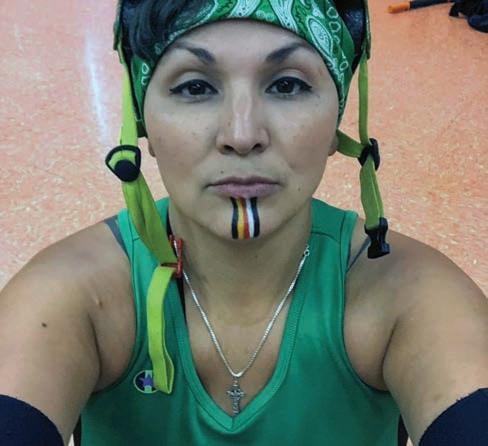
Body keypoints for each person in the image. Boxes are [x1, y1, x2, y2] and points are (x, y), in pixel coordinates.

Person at [1, 0, 487, 445]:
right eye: (195, 87)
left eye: (287, 85)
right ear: (142, 118)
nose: (242, 134)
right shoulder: (71, 297)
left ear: (336, 118)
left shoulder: (410, 298)